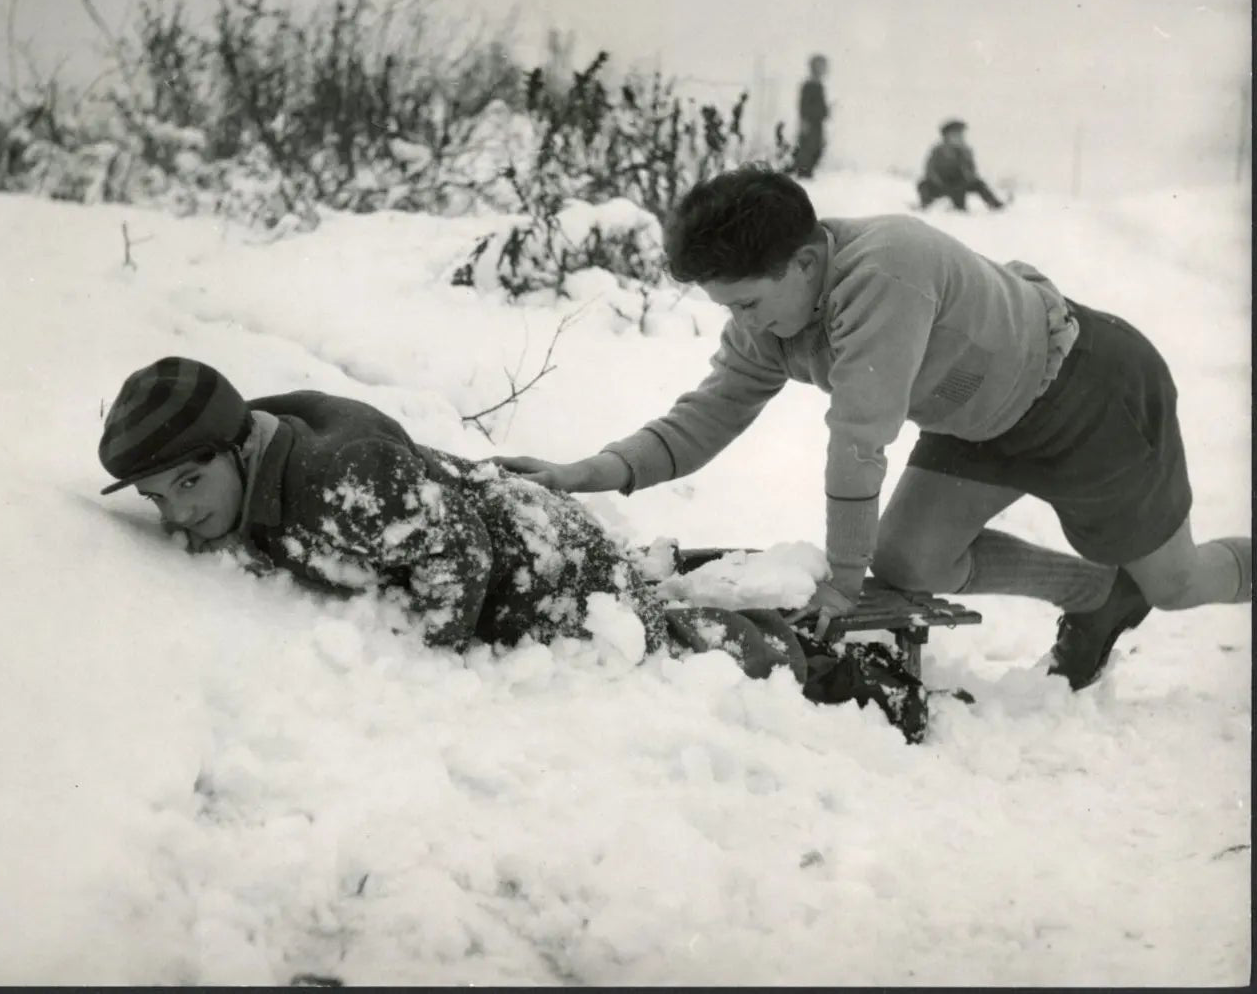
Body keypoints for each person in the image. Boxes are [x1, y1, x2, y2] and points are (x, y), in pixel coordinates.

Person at [495, 166, 1252, 692]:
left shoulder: (886, 271)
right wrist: (582, 473)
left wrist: (846, 583)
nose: (741, 325)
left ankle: (1152, 585)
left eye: (748, 304)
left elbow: (859, 440)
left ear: (804, 261)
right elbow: (705, 418)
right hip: (976, 422)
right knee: (912, 560)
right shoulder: (774, 313)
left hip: (1088, 398)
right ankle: (1098, 596)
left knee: (1180, 583)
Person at [98, 357, 936, 740]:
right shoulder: (266, 443)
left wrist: (435, 659)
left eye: (186, 485)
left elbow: (455, 555)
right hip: (503, 518)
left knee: (677, 650)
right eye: (157, 498)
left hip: (541, 569)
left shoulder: (336, 479)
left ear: (238, 449)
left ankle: (858, 676)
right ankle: (715, 578)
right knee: (654, 604)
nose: (176, 515)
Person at [917, 119, 1005, 211]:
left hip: (960, 184)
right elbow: (930, 170)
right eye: (955, 135)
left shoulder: (966, 151)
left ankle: (994, 204)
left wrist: (967, 174)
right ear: (946, 137)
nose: (959, 137)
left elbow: (971, 171)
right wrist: (939, 182)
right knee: (923, 185)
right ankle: (925, 205)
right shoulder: (938, 151)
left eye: (961, 134)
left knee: (979, 184)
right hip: (941, 184)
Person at [792, 54, 830, 180]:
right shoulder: (809, 85)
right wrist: (805, 121)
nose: (824, 69)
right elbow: (804, 107)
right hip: (809, 123)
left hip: (817, 123)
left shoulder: (819, 85)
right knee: (809, 148)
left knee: (818, 147)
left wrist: (825, 111)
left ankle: (807, 174)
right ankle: (803, 174)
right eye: (821, 66)